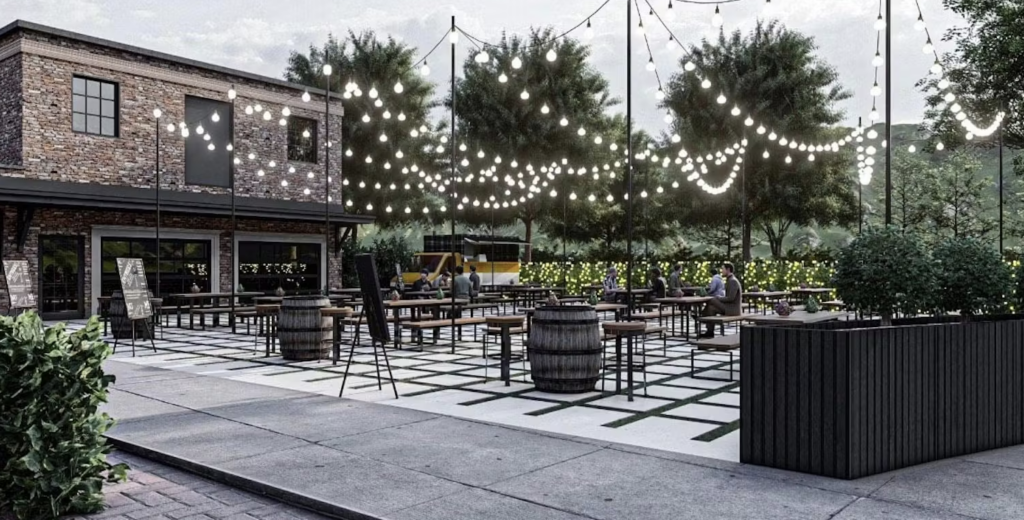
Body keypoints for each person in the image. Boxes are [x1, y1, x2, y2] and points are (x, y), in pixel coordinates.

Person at [700, 262, 743, 338]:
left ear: (728, 269)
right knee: (711, 308)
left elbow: (731, 298)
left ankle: (702, 316)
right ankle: (709, 331)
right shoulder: (730, 280)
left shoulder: (733, 281)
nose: (721, 271)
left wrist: (719, 298)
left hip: (732, 309)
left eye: (723, 269)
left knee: (711, 300)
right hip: (729, 307)